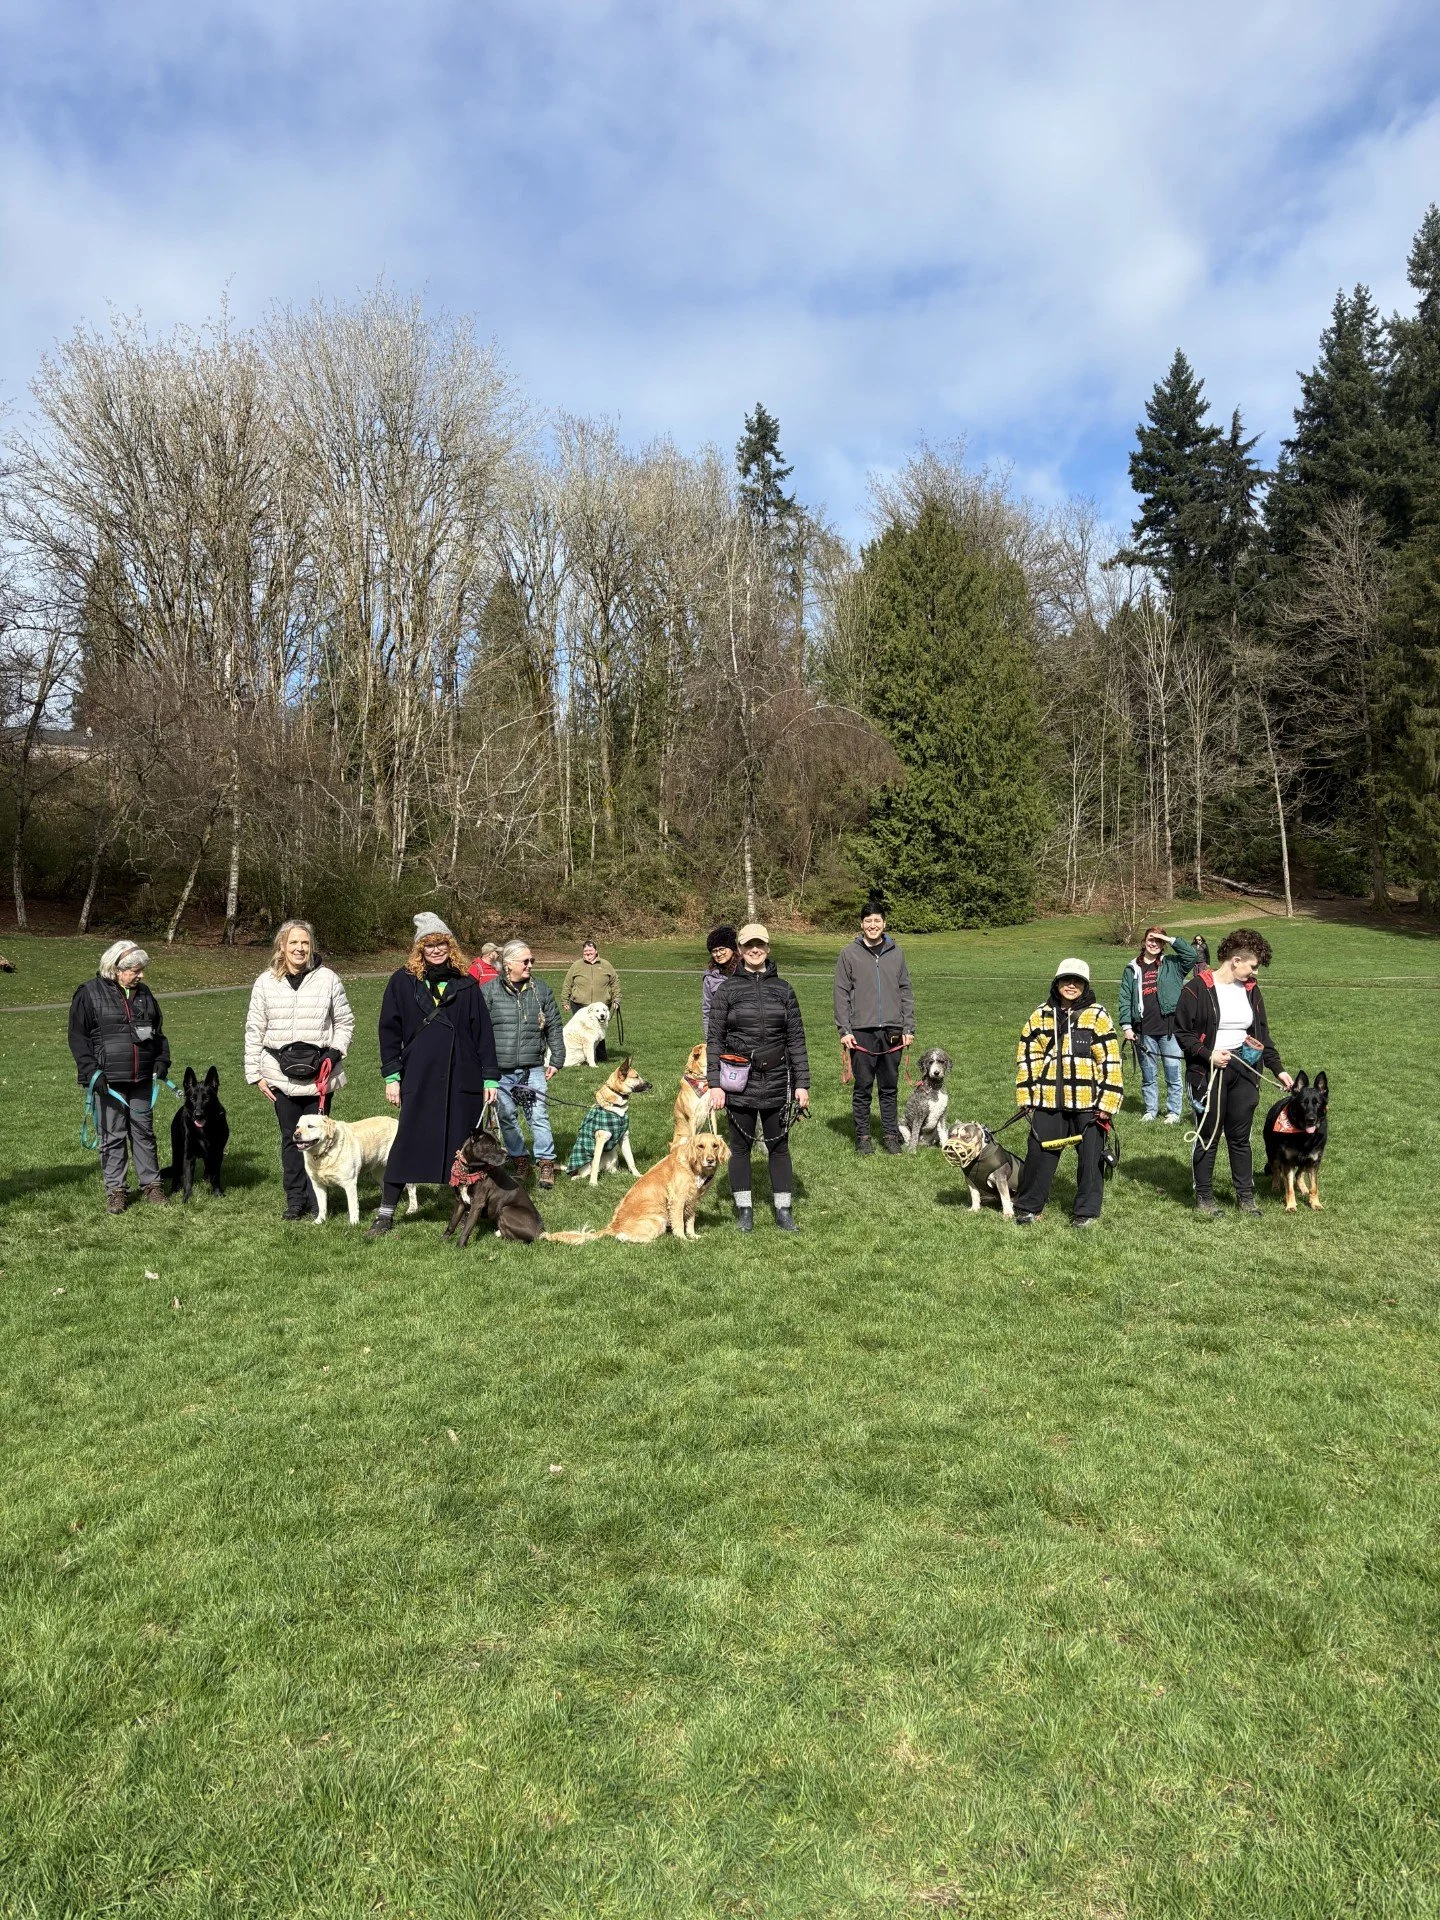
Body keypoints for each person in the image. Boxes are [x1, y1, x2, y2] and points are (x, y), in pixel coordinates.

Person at [368, 914, 499, 1236]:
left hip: (462, 1077)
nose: (436, 949)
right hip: (420, 1075)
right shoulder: (403, 982)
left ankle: (473, 1208)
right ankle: (386, 1213)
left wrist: (490, 1078)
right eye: (429, 945)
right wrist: (392, 1076)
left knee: (465, 1148)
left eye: (441, 943)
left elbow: (483, 1033)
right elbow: (388, 1031)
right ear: (419, 949)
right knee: (407, 1142)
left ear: (450, 946)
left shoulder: (466, 983)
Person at [1173, 927, 1294, 1218]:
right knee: (1209, 1135)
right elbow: (1182, 1033)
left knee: (1240, 1137)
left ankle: (1245, 1197)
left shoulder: (1251, 990)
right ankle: (1204, 1197)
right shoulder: (1196, 988)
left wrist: (1278, 1069)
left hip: (1245, 1070)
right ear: (1236, 960)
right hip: (1208, 1073)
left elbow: (1262, 1034)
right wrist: (1208, 1054)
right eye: (1253, 966)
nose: (1255, 973)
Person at [244, 920, 355, 1221]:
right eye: (293, 942)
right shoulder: (265, 982)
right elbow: (254, 1029)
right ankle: (296, 1199)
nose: (300, 948)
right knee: (290, 1137)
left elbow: (345, 1021)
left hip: (319, 1075)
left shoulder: (328, 979)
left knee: (319, 1137)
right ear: (282, 946)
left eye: (305, 943)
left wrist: (335, 1052)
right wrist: (255, 1074)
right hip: (279, 1074)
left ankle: (318, 1199)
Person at [705, 923, 810, 1232]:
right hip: (739, 1081)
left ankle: (783, 1211)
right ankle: (745, 1211)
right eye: (749, 945)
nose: (755, 950)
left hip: (777, 1079)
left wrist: (802, 1084)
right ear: (740, 949)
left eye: (760, 945)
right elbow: (714, 1040)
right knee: (740, 1148)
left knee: (779, 1148)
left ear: (768, 948)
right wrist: (715, 1084)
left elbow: (796, 1040)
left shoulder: (784, 989)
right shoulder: (727, 990)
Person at [1012, 957, 1124, 1229]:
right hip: (1048, 1099)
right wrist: (1027, 1097)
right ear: (1057, 982)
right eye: (1066, 980)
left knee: (1090, 1160)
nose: (1071, 986)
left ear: (1085, 986)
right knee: (1038, 1154)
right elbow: (1028, 1058)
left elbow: (1110, 1060)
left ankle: (1086, 1211)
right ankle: (1028, 1207)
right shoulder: (1040, 1015)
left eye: (1078, 982)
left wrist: (1108, 1101)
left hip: (1089, 1102)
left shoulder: (1098, 1015)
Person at [68, 940, 172, 1213]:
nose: (141, 976)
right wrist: (92, 1072)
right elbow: (78, 1038)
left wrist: (162, 1060)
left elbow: (158, 1033)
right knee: (112, 1136)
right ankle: (116, 1191)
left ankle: (152, 1186)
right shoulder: (88, 994)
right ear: (116, 969)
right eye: (136, 971)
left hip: (142, 1079)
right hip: (108, 1081)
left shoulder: (145, 993)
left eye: (141, 970)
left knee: (144, 1133)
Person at [481, 938, 566, 1188]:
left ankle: (546, 1162)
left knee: (538, 1116)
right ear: (508, 964)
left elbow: (554, 1025)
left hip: (533, 1067)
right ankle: (520, 1160)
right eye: (525, 961)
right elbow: (478, 1031)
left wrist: (557, 1059)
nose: (530, 965)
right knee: (506, 1118)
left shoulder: (541, 990)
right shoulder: (488, 991)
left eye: (532, 961)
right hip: (499, 1070)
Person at [833, 897, 915, 1154]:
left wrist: (908, 1027)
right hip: (861, 1031)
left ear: (884, 923)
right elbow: (841, 993)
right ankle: (863, 1137)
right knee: (863, 1087)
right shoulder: (849, 954)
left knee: (889, 1088)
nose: (872, 925)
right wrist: (844, 1030)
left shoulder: (896, 953)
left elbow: (905, 991)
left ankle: (890, 1135)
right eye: (868, 921)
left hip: (893, 1031)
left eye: (876, 920)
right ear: (861, 924)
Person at [1118, 925, 1200, 1125]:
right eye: (1150, 939)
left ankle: (1173, 1112)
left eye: (1158, 940)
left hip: (1169, 1029)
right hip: (1143, 1029)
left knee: (1173, 1073)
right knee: (1148, 1075)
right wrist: (1127, 1026)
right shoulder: (1132, 968)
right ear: (1144, 942)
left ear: (1164, 945)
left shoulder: (1173, 964)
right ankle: (1150, 1110)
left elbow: (1191, 955)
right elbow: (1125, 997)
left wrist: (1170, 939)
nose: (1154, 943)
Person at [562, 938, 621, 1061]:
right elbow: (567, 983)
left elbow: (615, 982)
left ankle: (601, 1056)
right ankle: (581, 1056)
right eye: (585, 952)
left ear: (596, 951)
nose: (588, 954)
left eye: (590, 951)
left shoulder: (606, 965)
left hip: (601, 1005)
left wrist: (617, 999)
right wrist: (564, 1001)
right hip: (580, 1004)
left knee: (599, 1030)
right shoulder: (576, 965)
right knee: (582, 1033)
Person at [701, 924, 739, 1036]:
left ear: (732, 948)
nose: (718, 954)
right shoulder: (710, 977)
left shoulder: (745, 970)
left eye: (722, 949)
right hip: (721, 1033)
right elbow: (707, 1010)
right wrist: (709, 1038)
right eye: (714, 951)